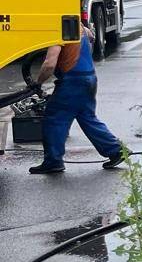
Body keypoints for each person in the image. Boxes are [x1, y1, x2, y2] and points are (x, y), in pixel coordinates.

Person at [27, 29, 126, 174]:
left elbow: (49, 64)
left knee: (54, 119)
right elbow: (92, 36)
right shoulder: (80, 27)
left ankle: (53, 161)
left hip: (73, 81)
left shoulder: (59, 29)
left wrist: (38, 83)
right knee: (87, 118)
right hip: (89, 78)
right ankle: (117, 151)